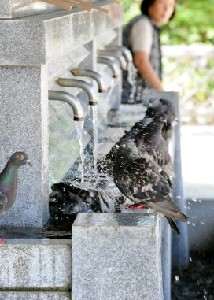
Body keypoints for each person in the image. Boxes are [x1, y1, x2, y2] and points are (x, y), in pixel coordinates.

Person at [122, 0, 176, 103]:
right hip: (131, 97)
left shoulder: (150, 25)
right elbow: (141, 61)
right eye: (162, 4)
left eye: (171, 6)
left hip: (136, 97)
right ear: (150, 4)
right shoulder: (143, 24)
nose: (167, 9)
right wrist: (163, 94)